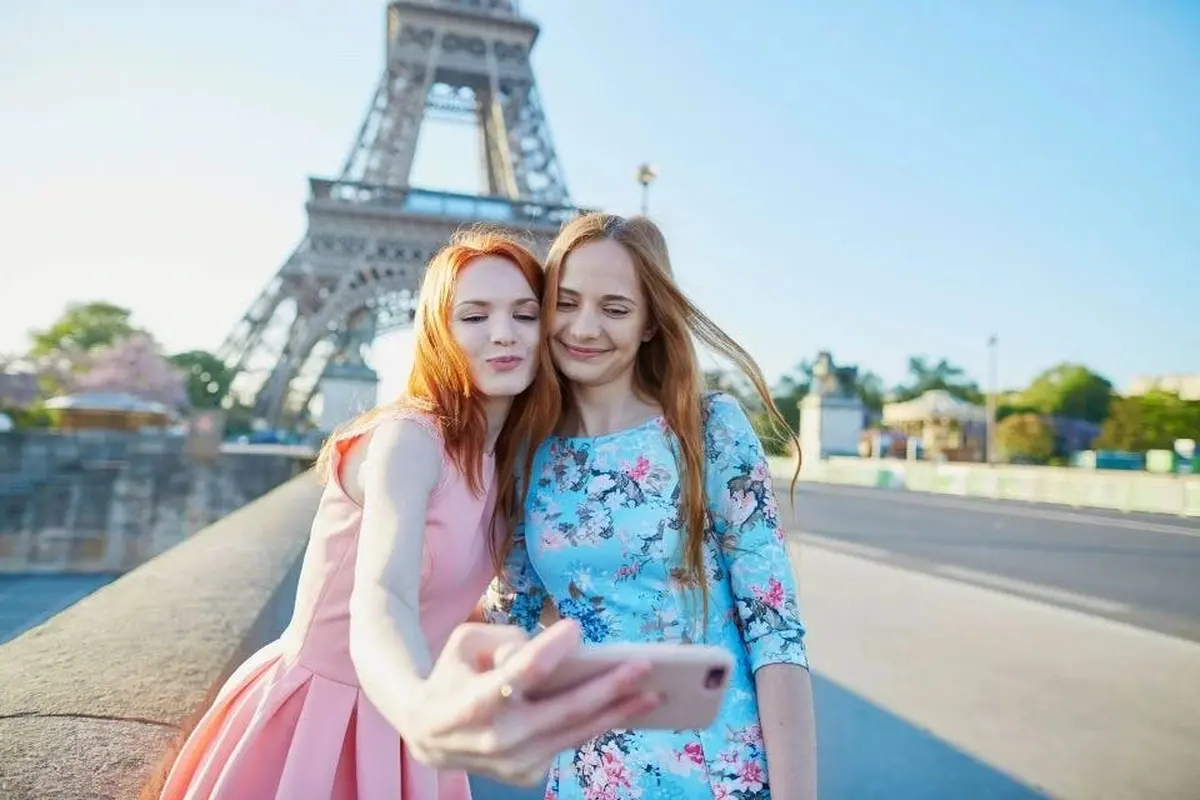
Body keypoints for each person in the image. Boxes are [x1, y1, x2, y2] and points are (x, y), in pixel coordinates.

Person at [159, 229, 662, 800]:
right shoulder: (409, 438)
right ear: (438, 331)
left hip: (406, 726)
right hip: (324, 721)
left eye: (525, 315)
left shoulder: (500, 465)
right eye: (474, 317)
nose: (504, 334)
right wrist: (420, 710)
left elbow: (462, 610)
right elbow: (383, 598)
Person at [481, 213, 818, 799]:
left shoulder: (710, 430)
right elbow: (506, 619)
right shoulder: (524, 456)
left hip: (722, 776)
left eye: (614, 309)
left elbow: (776, 633)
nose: (583, 328)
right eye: (566, 303)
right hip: (591, 778)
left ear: (647, 325)